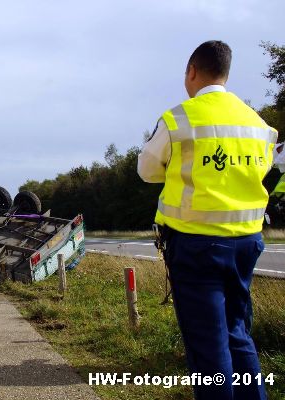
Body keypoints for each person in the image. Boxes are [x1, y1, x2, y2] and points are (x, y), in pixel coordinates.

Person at [138, 41, 278, 400]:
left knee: (208, 346)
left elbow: (147, 170)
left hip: (196, 245)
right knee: (237, 332)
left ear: (191, 71)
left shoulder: (178, 119)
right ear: (226, 74)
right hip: (247, 244)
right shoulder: (258, 125)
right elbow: (263, 174)